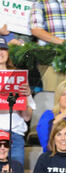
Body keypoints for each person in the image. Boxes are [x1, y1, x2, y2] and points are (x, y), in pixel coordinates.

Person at [0, 37, 36, 165]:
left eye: (3, 49)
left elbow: (27, 117)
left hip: (15, 135)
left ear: (8, 53)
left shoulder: (19, 78)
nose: (1, 52)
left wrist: (26, 96)